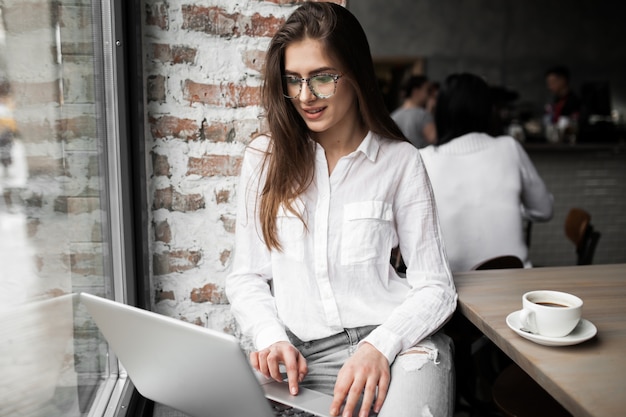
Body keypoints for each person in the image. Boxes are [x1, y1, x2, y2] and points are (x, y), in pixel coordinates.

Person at [225, 3, 457, 417]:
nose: (305, 96)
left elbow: (436, 287)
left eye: (323, 78)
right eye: (292, 80)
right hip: (298, 359)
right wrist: (268, 336)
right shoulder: (264, 159)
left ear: (356, 75)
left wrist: (378, 347)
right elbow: (246, 275)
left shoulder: (399, 161)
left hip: (395, 346)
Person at [420, 73, 554, 272]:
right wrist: (509, 205)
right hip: (515, 285)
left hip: (453, 291)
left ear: (441, 112)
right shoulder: (509, 147)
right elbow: (544, 210)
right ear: (488, 110)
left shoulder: (424, 159)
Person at [391, 75, 437, 148]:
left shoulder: (393, 116)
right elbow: (434, 139)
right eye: (428, 90)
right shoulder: (423, 115)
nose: (431, 95)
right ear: (416, 92)